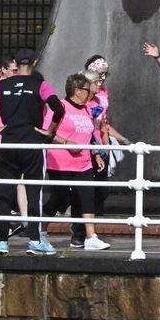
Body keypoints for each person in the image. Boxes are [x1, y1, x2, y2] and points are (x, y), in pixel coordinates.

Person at [0, 53, 64, 255]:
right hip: (32, 143)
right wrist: (50, 131)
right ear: (35, 63)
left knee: (5, 193)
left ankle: (3, 242)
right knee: (33, 193)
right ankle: (34, 240)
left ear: (14, 63)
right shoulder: (40, 85)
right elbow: (58, 108)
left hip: (9, 144)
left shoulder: (1, 85)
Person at [43, 73, 108, 250]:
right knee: (60, 198)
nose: (91, 93)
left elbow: (90, 134)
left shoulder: (87, 109)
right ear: (77, 90)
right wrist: (66, 142)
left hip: (84, 162)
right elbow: (46, 132)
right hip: (60, 162)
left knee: (87, 196)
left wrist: (95, 154)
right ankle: (41, 231)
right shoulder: (60, 107)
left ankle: (90, 236)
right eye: (87, 89)